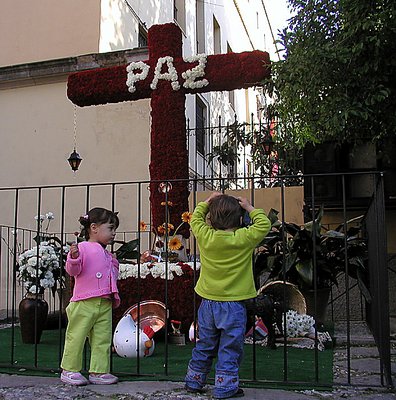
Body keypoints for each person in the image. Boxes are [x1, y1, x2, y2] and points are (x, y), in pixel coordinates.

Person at [185, 192, 271, 399]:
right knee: (230, 347)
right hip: (233, 305)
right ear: (240, 219)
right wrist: (249, 206)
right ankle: (225, 386)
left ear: (211, 220)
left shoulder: (205, 236)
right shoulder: (244, 238)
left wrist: (206, 202)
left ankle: (194, 380)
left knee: (205, 343)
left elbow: (195, 218)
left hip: (208, 303)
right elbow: (264, 224)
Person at [60, 207, 121, 386]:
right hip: (83, 301)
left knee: (102, 339)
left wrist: (114, 263)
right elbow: (73, 271)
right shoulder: (82, 248)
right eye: (110, 228)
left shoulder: (106, 253)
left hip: (104, 301)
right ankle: (69, 369)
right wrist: (73, 258)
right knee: (76, 336)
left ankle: (99, 371)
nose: (114, 233)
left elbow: (112, 276)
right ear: (94, 228)